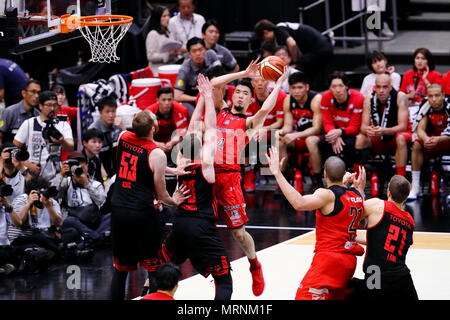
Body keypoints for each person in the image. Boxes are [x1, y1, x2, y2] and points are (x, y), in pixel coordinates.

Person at [209, 60, 288, 296]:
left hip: (230, 179)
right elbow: (214, 84)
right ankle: (216, 272)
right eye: (239, 92)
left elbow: (267, 110)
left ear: (251, 100)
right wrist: (244, 73)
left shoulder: (249, 122)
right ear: (233, 97)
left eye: (246, 94)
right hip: (208, 176)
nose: (242, 96)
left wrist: (280, 82)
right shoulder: (220, 110)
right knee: (203, 227)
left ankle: (254, 264)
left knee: (239, 233)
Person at [162, 74, 233, 300]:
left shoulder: (181, 160)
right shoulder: (206, 164)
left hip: (180, 222)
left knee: (163, 271)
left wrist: (202, 99)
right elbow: (211, 127)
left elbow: (193, 127)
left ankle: (150, 295)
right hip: (201, 225)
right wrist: (209, 98)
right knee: (224, 281)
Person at [110, 110, 190, 300]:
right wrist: (175, 201)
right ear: (154, 128)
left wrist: (173, 170)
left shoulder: (124, 137)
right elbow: (162, 195)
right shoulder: (156, 153)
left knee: (121, 270)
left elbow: (143, 163)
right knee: (154, 269)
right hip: (141, 214)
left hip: (119, 210)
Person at [266, 148, 365, 300]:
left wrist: (277, 174)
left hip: (329, 260)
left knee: (302, 296)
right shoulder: (357, 195)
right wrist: (359, 187)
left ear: (325, 174)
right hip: (349, 262)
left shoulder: (325, 195)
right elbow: (346, 193)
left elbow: (299, 203)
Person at [348, 175, 418, 300]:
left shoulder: (377, 205)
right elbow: (381, 240)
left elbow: (351, 213)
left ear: (388, 192)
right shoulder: (410, 221)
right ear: (406, 197)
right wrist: (354, 237)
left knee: (348, 289)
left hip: (375, 273)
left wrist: (358, 190)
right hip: (401, 277)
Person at [309, 72, 364, 181]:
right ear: (329, 88)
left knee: (350, 143)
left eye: (340, 86)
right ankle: (323, 179)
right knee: (322, 143)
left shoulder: (358, 98)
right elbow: (327, 122)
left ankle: (352, 178)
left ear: (346, 86)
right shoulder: (325, 97)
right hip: (333, 132)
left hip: (349, 133)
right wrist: (334, 135)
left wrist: (339, 133)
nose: (337, 90)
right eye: (334, 86)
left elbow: (355, 127)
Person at [354, 74, 411, 178]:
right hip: (378, 136)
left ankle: (400, 179)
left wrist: (384, 130)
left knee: (401, 138)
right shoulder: (369, 98)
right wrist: (368, 130)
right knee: (360, 139)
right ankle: (357, 181)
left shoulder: (400, 97)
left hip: (396, 137)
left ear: (390, 87)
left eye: (385, 87)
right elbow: (363, 127)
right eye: (378, 87)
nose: (381, 90)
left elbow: (403, 126)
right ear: (374, 87)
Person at [254, 19, 333, 90]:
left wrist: (295, 62)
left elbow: (292, 44)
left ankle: (309, 92)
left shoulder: (279, 29)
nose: (266, 40)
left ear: (265, 32)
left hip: (320, 49)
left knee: (300, 69)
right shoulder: (282, 29)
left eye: (264, 38)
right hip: (323, 47)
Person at [13, 91, 74, 179]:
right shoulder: (29, 123)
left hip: (56, 175)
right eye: (49, 105)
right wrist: (27, 164)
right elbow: (14, 149)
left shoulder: (63, 124)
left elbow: (71, 147)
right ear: (40, 106)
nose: (52, 108)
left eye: (55, 105)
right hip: (32, 175)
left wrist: (62, 141)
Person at [242, 72, 287, 192]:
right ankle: (249, 175)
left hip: (274, 131)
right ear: (252, 83)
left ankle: (280, 179)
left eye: (262, 80)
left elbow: (279, 122)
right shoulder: (248, 98)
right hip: (256, 132)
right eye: (256, 81)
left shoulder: (280, 96)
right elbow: (249, 122)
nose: (259, 83)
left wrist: (264, 129)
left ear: (268, 81)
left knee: (278, 138)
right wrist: (257, 130)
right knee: (245, 137)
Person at [52, 151, 109, 244]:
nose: (79, 166)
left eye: (82, 163)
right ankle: (96, 237)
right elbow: (53, 193)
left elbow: (102, 202)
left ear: (87, 165)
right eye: (75, 163)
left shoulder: (95, 184)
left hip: (93, 220)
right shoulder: (65, 182)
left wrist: (86, 184)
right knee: (70, 221)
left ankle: (91, 236)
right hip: (74, 220)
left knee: (112, 215)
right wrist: (61, 174)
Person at [277, 72, 322, 187]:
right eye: (293, 88)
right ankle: (283, 177)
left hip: (317, 137)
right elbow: (288, 125)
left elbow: (317, 128)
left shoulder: (316, 100)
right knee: (278, 138)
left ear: (307, 87)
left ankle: (317, 180)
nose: (296, 91)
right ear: (289, 89)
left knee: (310, 141)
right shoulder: (288, 100)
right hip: (299, 136)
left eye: (300, 87)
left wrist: (295, 135)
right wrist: (282, 132)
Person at [408, 84, 450, 200]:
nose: (434, 99)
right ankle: (415, 187)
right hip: (433, 140)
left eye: (437, 95)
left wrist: (438, 139)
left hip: (446, 139)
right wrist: (426, 139)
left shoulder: (449, 105)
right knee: (417, 144)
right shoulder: (425, 105)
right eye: (431, 96)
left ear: (443, 95)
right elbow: (420, 129)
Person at [174, 37, 222, 115]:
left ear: (205, 50)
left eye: (200, 49)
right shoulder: (184, 69)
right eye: (194, 51)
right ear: (189, 54)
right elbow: (177, 96)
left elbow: (220, 77)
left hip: (212, 94)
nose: (198, 53)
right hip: (193, 100)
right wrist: (200, 99)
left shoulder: (212, 55)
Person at [400, 47, 442, 122]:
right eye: (417, 58)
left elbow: (436, 96)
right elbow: (400, 96)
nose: (420, 61)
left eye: (423, 58)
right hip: (408, 109)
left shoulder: (435, 75)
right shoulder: (408, 74)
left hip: (426, 110)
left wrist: (425, 79)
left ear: (428, 61)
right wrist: (409, 96)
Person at [88, 96, 124, 178]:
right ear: (100, 113)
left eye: (113, 111)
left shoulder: (118, 125)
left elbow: (128, 146)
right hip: (99, 171)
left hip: (116, 168)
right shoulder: (94, 129)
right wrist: (105, 178)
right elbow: (94, 156)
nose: (111, 115)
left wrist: (123, 128)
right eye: (107, 112)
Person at [145, 87, 189, 155]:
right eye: (163, 100)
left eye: (169, 99)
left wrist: (172, 142)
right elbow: (145, 135)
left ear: (173, 99)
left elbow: (183, 132)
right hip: (154, 143)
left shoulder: (182, 110)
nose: (167, 103)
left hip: (174, 142)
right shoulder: (149, 112)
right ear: (157, 100)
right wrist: (155, 143)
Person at [0, 79, 41, 145]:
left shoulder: (38, 115)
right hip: (10, 152)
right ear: (24, 93)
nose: (37, 96)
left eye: (39, 92)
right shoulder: (9, 112)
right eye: (33, 92)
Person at [145, 6, 183, 75]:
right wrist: (168, 54)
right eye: (164, 16)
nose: (167, 18)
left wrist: (176, 52)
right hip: (157, 73)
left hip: (170, 70)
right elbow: (150, 56)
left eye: (168, 15)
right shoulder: (153, 34)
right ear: (157, 18)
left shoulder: (168, 32)